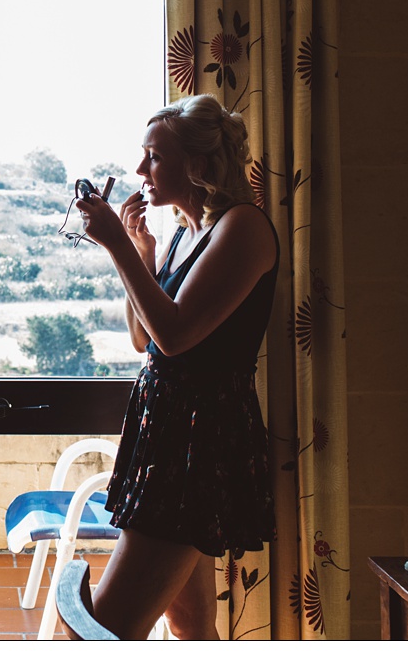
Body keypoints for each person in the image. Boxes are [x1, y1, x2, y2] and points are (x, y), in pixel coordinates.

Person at [73, 94, 279, 640]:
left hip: (198, 443)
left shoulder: (243, 228)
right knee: (189, 625)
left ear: (199, 165)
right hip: (169, 435)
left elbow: (177, 334)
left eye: (154, 157)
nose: (140, 170)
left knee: (102, 629)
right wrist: (140, 252)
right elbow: (145, 339)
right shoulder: (189, 232)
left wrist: (115, 243)